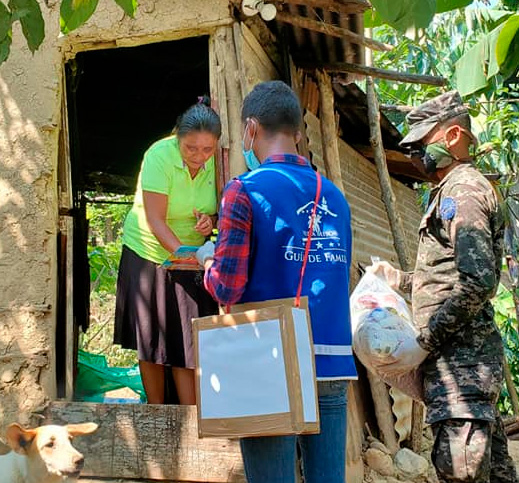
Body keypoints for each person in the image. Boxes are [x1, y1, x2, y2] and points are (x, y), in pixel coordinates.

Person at [196, 81, 356, 483]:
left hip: (270, 359)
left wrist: (206, 259)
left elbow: (227, 287)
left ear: (250, 128)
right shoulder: (335, 197)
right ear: (299, 133)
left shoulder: (244, 191)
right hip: (332, 360)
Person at [373, 91, 519, 483]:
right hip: (459, 371)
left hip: (463, 369)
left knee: (461, 472)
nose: (419, 154)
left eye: (425, 143)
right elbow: (448, 276)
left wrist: (425, 340)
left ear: (454, 136)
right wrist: (400, 280)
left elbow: (477, 282)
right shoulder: (449, 190)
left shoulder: (463, 192)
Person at [113, 97, 220, 405]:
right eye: (190, 148)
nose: (199, 156)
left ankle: (189, 415)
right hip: (149, 254)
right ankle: (157, 412)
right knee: (152, 340)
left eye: (206, 149)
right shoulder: (159, 156)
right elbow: (155, 219)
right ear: (177, 139)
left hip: (193, 259)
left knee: (187, 340)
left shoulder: (219, 161)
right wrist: (187, 254)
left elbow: (218, 211)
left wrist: (209, 221)